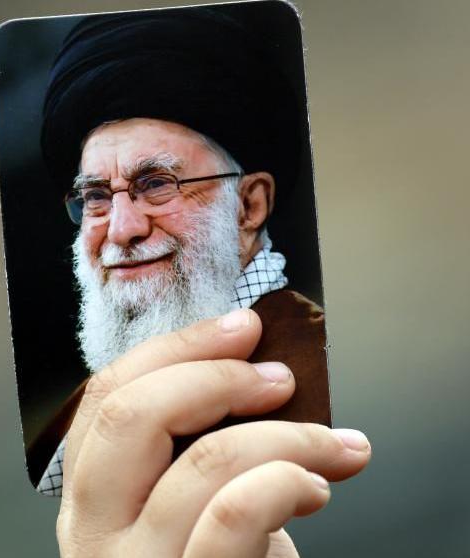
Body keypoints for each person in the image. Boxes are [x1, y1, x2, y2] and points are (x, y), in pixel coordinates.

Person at [25, 6, 372, 557]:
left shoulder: (328, 368)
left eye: (156, 184)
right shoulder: (85, 412)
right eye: (96, 196)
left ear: (249, 206)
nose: (122, 229)